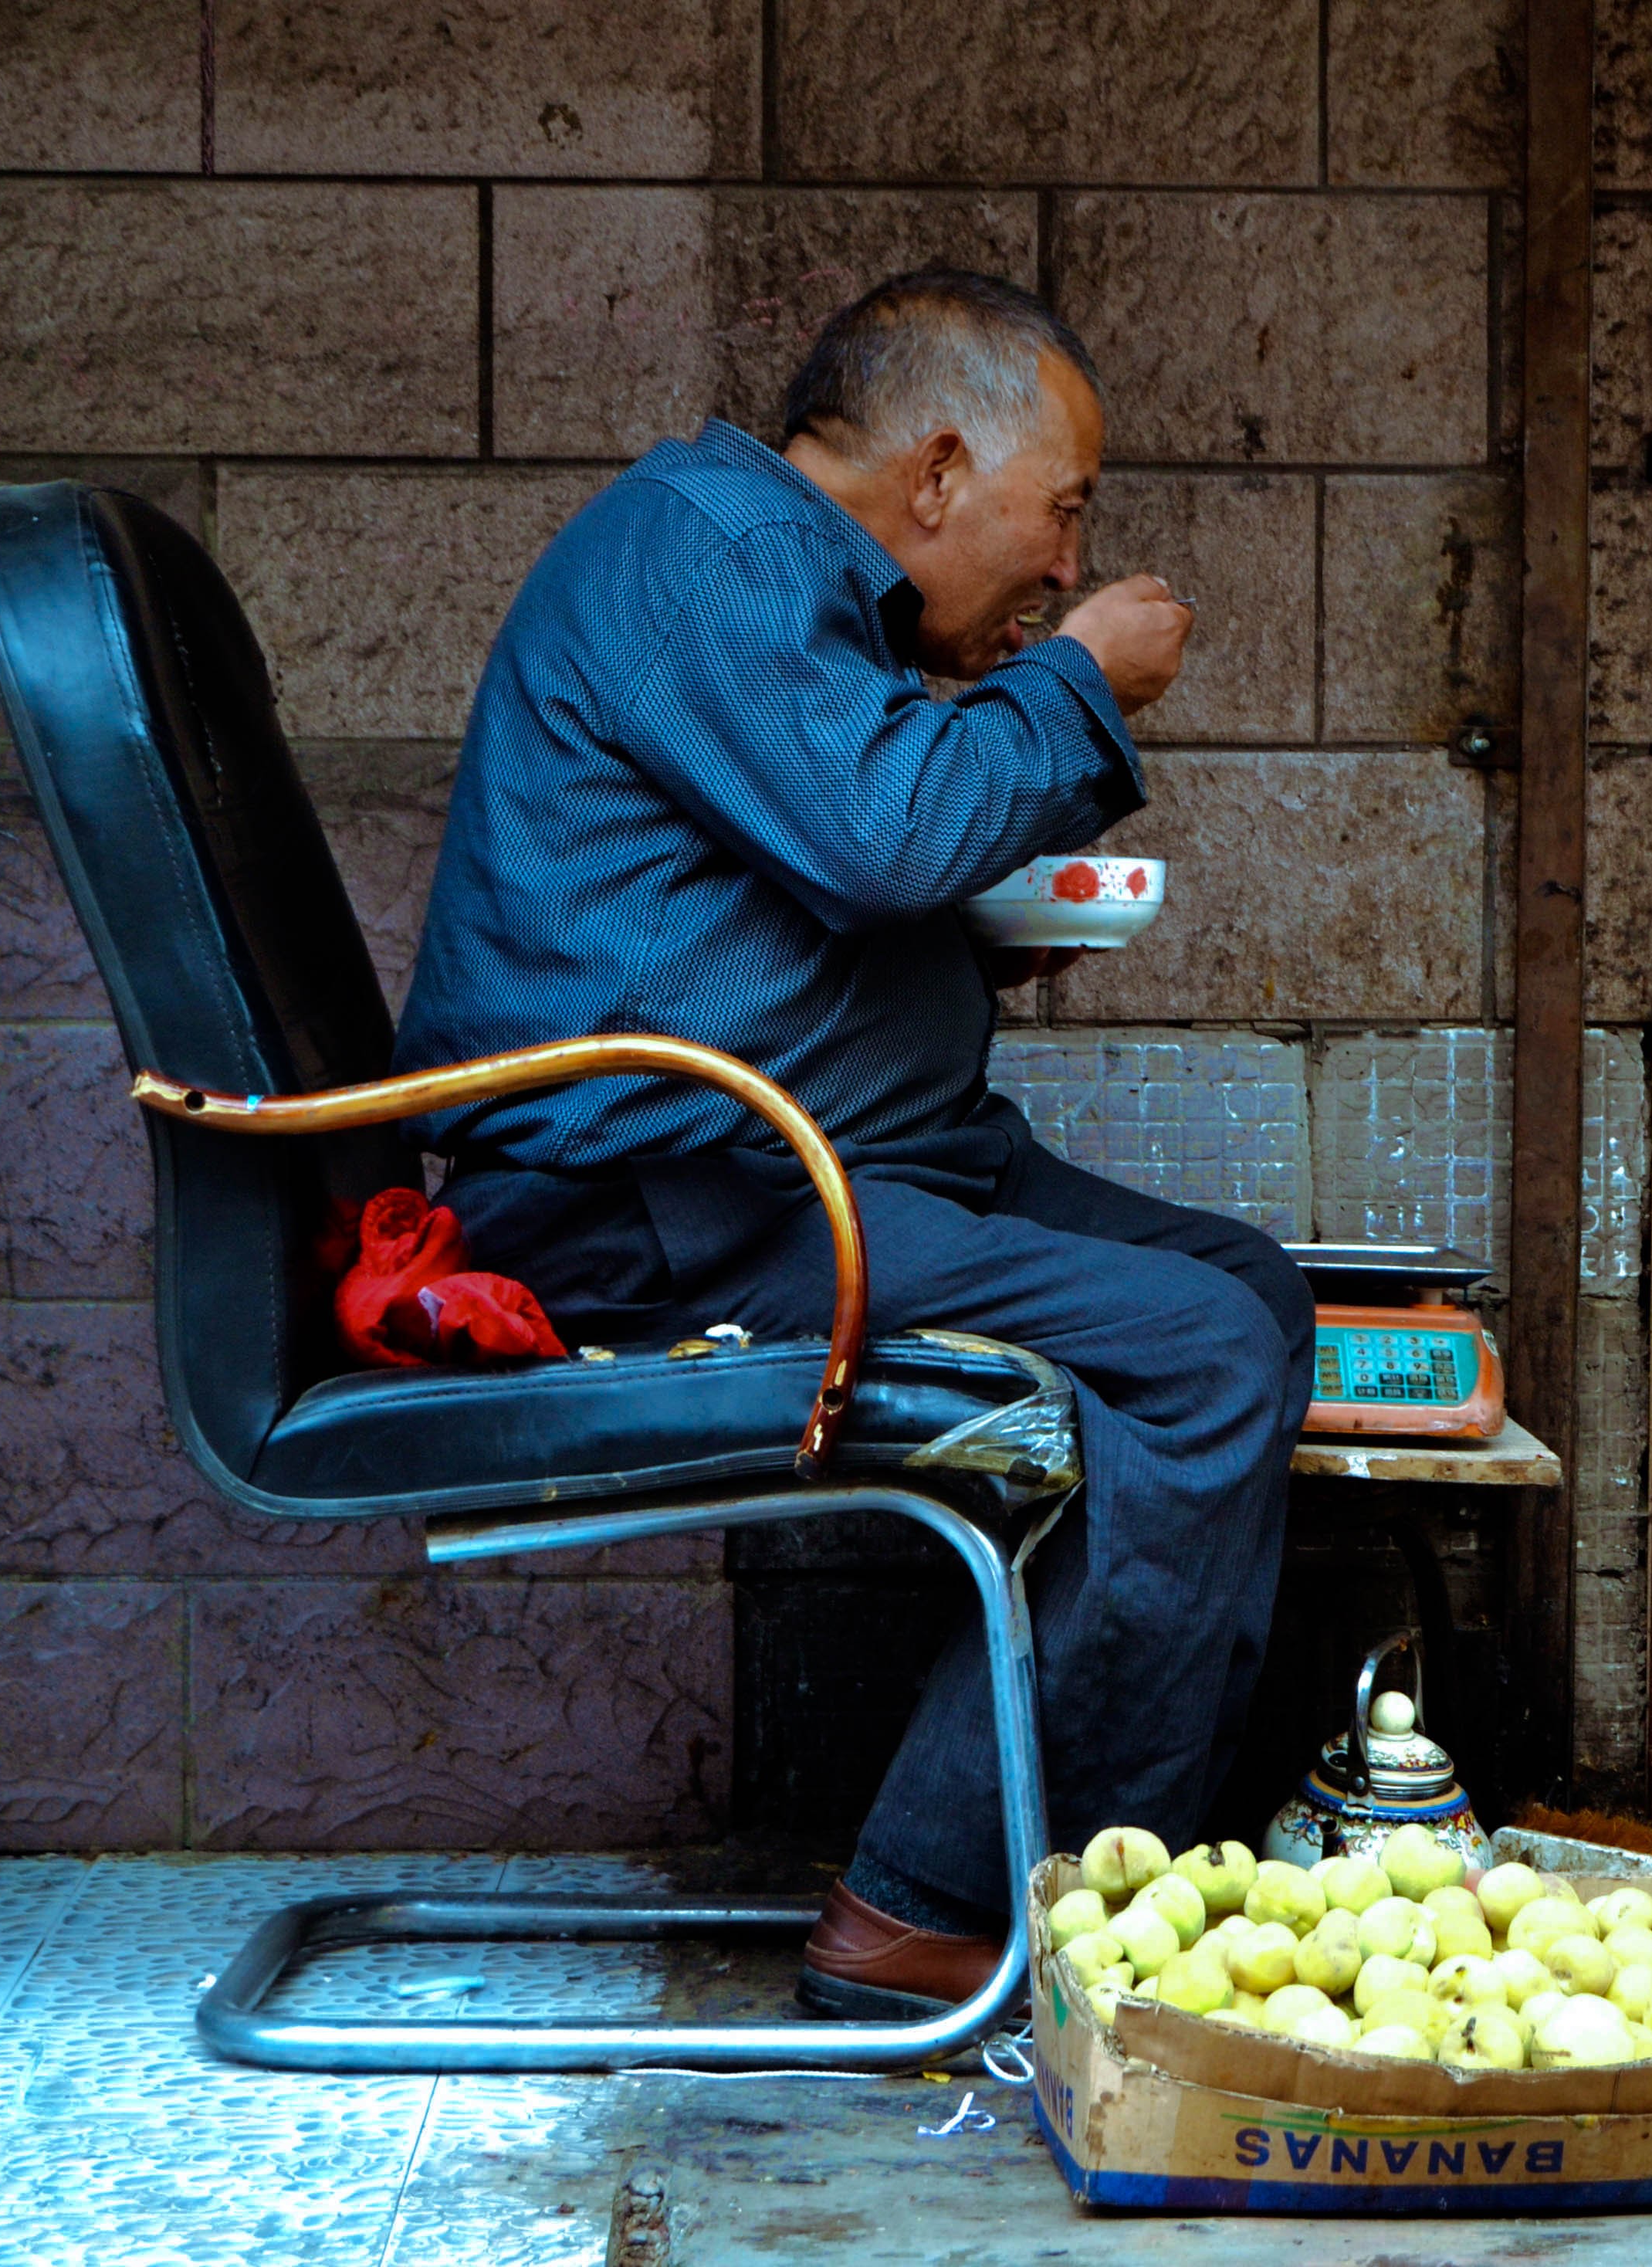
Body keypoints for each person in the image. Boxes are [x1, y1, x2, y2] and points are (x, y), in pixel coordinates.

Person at [389, 269, 1316, 2018]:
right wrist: (1074, 679)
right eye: (1061, 515)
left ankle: (1103, 1856)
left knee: (1245, 1289)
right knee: (1192, 1360)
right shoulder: (711, 548)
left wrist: (964, 946)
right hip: (674, 1204)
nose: (1058, 560)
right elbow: (886, 831)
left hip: (832, 1162)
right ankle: (936, 1899)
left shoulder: (786, 578)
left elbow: (807, 881)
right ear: (945, 469)